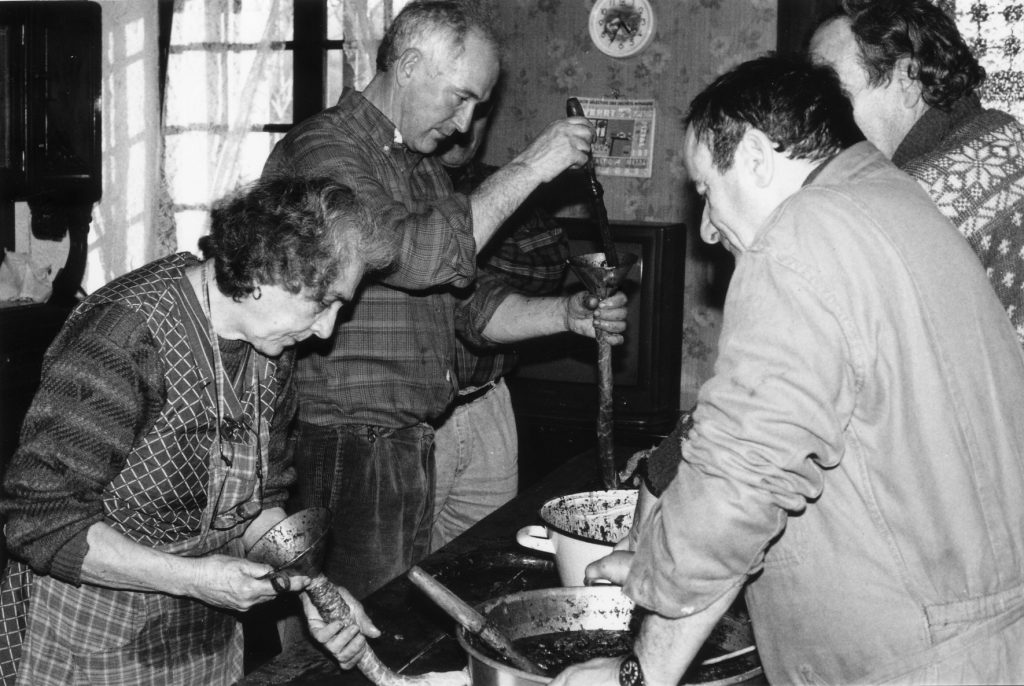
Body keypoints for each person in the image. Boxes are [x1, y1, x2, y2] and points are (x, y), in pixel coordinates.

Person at [552, 55, 1024, 686]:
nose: (708, 229)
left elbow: (741, 483)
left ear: (754, 155)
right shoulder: (902, 205)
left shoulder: (801, 234)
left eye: (705, 192)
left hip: (909, 662)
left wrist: (637, 674)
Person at [261, 0, 626, 599]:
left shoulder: (420, 168)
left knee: (396, 617)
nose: (464, 124)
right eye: (460, 97)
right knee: (361, 629)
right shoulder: (323, 150)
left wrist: (566, 315)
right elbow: (413, 254)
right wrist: (534, 165)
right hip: (349, 441)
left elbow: (469, 303)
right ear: (407, 65)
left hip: (407, 440)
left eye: (477, 106)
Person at [0, 177, 393, 685]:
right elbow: (39, 518)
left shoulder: (270, 347)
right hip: (88, 644)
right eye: (324, 303)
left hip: (199, 645)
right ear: (264, 271)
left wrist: (314, 587)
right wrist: (195, 579)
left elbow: (256, 501)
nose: (326, 330)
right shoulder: (124, 337)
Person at [809, 0, 1024, 344]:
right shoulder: (1005, 135)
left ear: (908, 81)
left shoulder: (912, 201)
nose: (818, 122)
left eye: (836, 99)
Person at [430, 112, 571, 551]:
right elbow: (436, 263)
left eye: (481, 112)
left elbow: (549, 262)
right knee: (401, 569)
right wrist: (461, 259)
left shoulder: (501, 184)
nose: (465, 127)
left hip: (488, 397)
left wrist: (470, 261)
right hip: (425, 412)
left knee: (482, 552)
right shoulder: (406, 189)